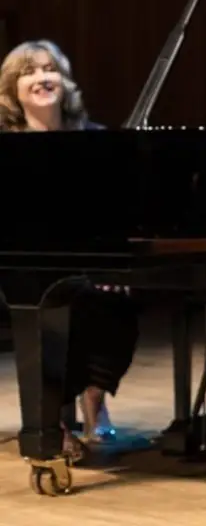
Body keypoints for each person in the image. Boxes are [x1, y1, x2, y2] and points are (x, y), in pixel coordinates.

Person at [0, 39, 138, 455]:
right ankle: (51, 425)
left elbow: (119, 209)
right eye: (29, 72)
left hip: (89, 263)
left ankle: (95, 398)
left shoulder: (93, 140)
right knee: (62, 303)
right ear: (11, 90)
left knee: (117, 298)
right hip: (16, 267)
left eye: (50, 69)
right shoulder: (6, 146)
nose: (42, 78)